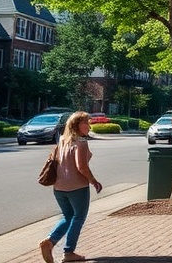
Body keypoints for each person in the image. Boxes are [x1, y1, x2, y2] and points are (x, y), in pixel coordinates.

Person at [39, 111, 103, 263]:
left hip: (59, 187)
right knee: (78, 217)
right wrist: (94, 181)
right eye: (85, 123)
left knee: (68, 216)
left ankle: (50, 241)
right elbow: (82, 167)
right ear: (76, 125)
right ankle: (68, 252)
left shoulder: (62, 139)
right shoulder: (80, 142)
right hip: (77, 187)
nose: (89, 126)